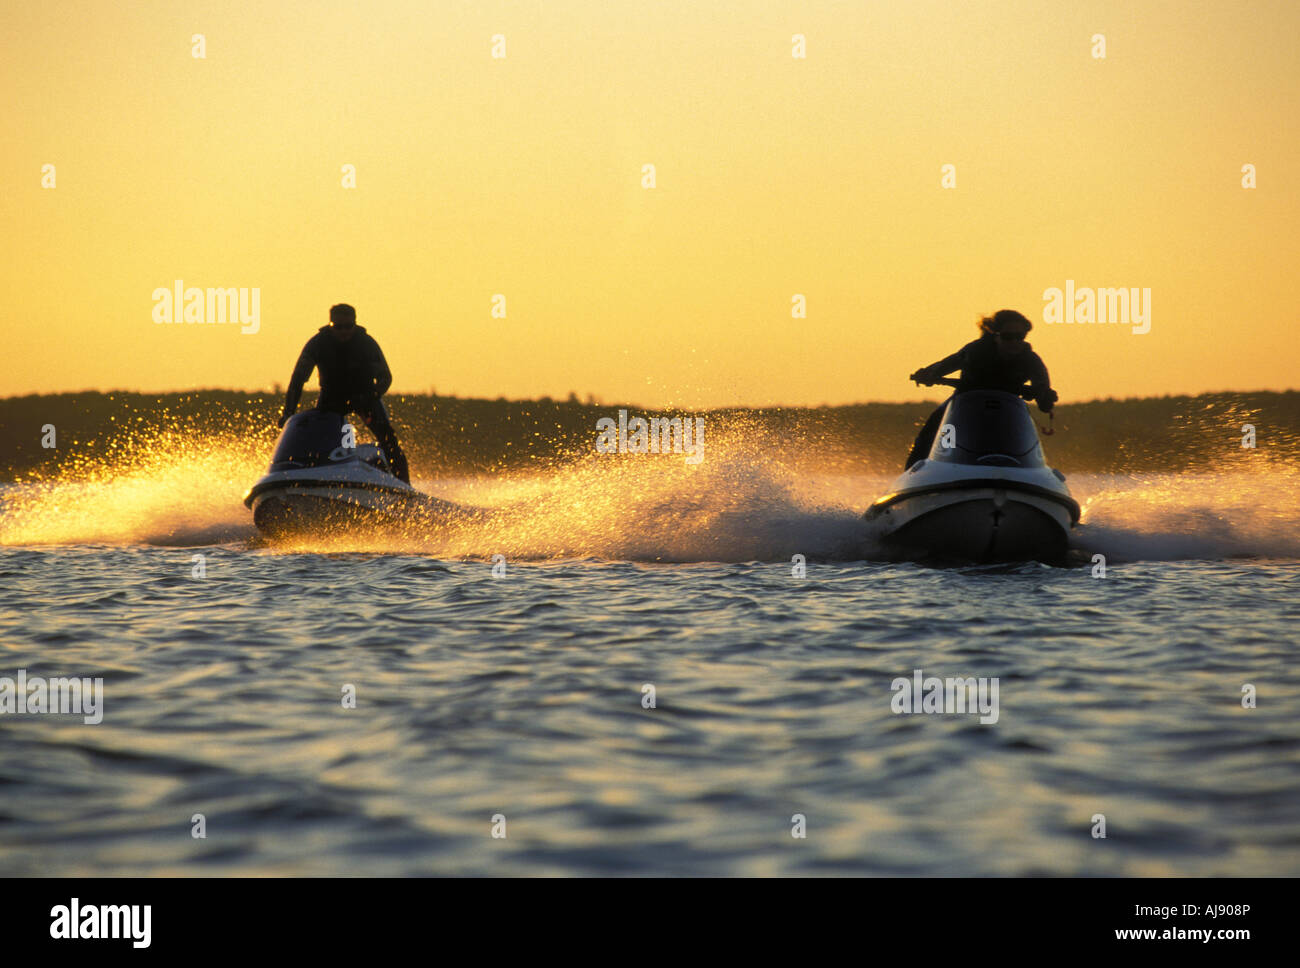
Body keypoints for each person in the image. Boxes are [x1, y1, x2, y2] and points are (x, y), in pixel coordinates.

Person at [903, 309, 1058, 469]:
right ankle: (912, 473)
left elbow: (1043, 392)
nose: (1014, 342)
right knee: (931, 430)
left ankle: (1030, 468)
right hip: (964, 406)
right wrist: (928, 374)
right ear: (995, 335)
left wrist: (1046, 400)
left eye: (1020, 337)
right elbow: (947, 365)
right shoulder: (975, 351)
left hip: (1009, 410)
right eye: (1008, 337)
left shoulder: (1031, 360)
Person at [278, 303, 410, 483]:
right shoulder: (318, 343)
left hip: (365, 397)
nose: (344, 332)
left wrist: (372, 396)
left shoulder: (366, 343)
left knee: (388, 440)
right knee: (317, 439)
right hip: (332, 399)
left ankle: (404, 487)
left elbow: (385, 377)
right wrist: (289, 412)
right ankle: (309, 478)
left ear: (355, 324)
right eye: (338, 327)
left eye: (348, 326)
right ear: (330, 325)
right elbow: (297, 381)